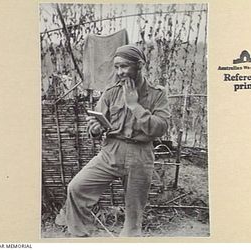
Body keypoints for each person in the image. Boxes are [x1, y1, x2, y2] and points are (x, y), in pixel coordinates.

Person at [56, 44, 170, 237]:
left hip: (140, 156)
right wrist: (94, 129)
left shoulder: (157, 94)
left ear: (139, 65)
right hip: (111, 152)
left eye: (124, 66)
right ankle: (80, 237)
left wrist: (135, 106)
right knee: (76, 188)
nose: (119, 72)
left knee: (133, 218)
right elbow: (96, 121)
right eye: (116, 67)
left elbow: (160, 128)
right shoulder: (111, 92)